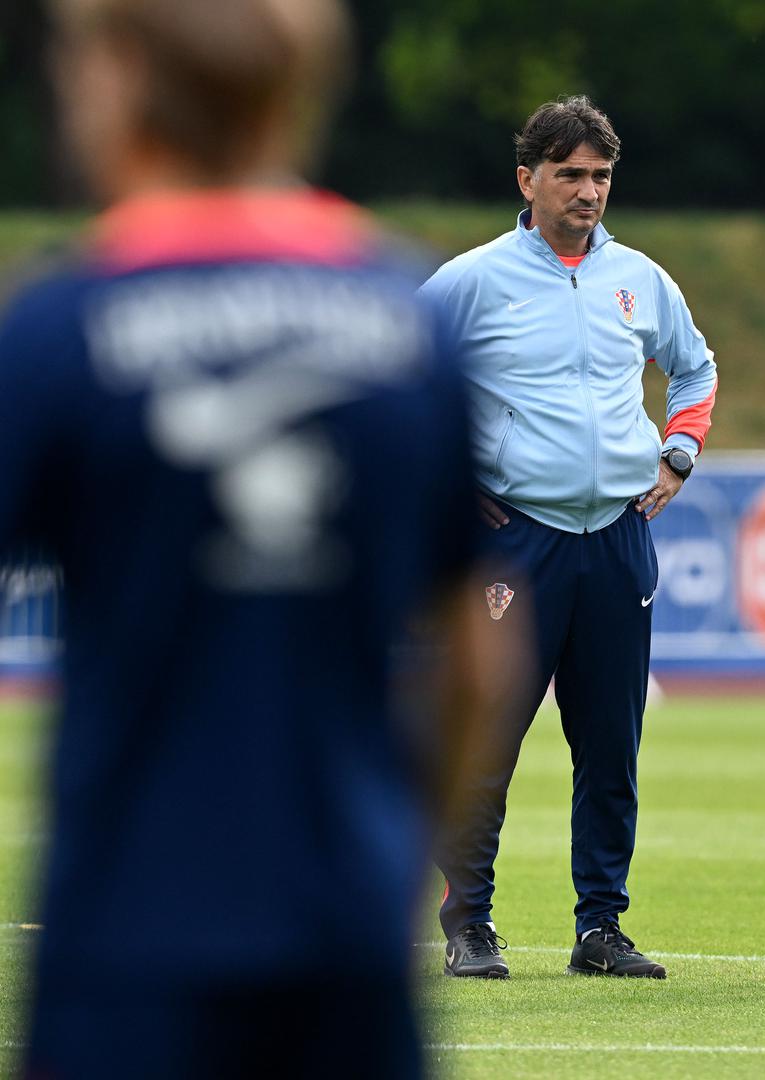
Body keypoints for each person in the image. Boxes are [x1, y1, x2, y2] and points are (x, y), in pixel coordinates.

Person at [2, 1, 514, 1076]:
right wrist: (389, 853)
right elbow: (474, 660)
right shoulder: (405, 320)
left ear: (118, 81)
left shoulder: (61, 326)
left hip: (127, 931)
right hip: (346, 927)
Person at [420, 95, 718, 980]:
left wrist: (679, 453)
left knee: (611, 746)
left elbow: (695, 368)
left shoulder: (641, 278)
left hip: (618, 535)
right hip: (517, 541)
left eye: (601, 175)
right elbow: (398, 376)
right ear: (528, 179)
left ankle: (601, 928)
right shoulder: (473, 280)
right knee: (486, 740)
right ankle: (469, 924)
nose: (588, 191)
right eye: (570, 174)